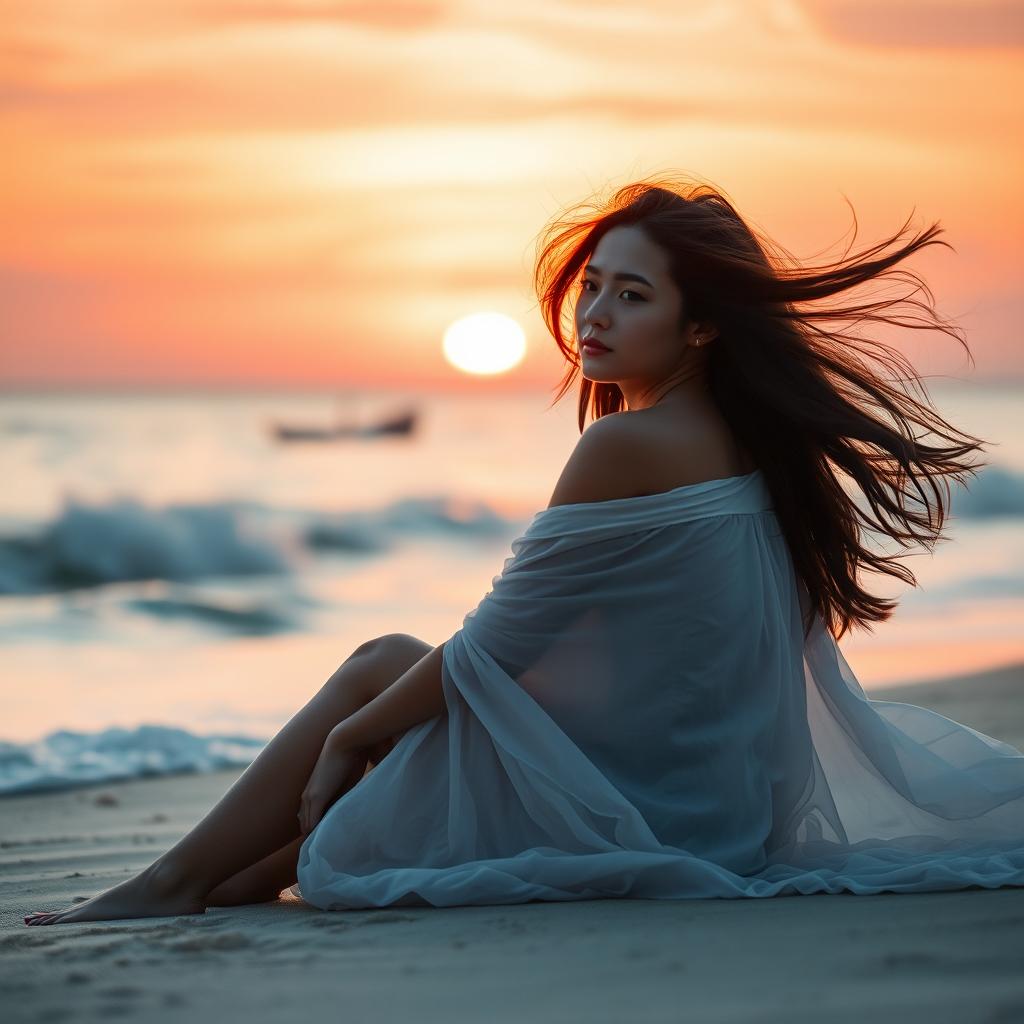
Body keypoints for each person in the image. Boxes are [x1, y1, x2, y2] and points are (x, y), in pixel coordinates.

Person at [24, 175, 1024, 925]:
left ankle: (163, 880)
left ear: (703, 324)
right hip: (711, 807)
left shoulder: (625, 442)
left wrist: (350, 734)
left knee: (379, 664)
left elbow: (493, 646)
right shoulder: (751, 444)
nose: (593, 315)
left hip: (637, 814)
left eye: (632, 295)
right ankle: (194, 883)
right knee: (274, 870)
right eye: (593, 286)